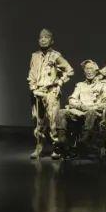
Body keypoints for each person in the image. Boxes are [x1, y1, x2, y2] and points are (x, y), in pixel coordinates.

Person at [27, 29, 74, 158]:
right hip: (37, 92)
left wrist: (60, 82)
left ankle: (56, 148)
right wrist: (32, 87)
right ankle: (39, 146)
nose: (43, 39)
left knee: (54, 121)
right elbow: (31, 73)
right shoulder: (35, 56)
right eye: (41, 37)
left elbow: (69, 70)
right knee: (38, 121)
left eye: (46, 37)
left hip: (51, 92)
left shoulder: (55, 55)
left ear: (51, 40)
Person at [55, 60, 106, 159]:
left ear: (96, 71)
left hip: (95, 111)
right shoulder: (80, 85)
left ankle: (83, 141)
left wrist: (94, 107)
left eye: (91, 69)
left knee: (91, 113)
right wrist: (80, 106)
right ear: (84, 71)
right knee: (61, 112)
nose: (89, 71)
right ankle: (62, 141)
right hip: (80, 110)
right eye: (87, 69)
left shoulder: (103, 85)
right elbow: (72, 99)